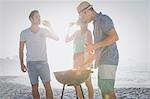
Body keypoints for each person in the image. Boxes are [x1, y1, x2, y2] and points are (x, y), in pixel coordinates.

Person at [77, 1, 119, 99]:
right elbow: (99, 48)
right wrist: (86, 63)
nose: (83, 19)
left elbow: (114, 37)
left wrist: (94, 46)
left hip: (108, 59)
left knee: (108, 91)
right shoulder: (95, 24)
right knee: (104, 90)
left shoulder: (103, 19)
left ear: (87, 12)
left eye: (82, 17)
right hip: (103, 61)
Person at [19, 10, 59, 99]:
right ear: (31, 19)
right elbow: (21, 49)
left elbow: (57, 38)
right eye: (37, 16)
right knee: (34, 86)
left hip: (43, 63)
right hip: (31, 63)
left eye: (39, 16)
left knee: (47, 86)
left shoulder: (44, 31)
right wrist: (21, 64)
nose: (39, 18)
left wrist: (50, 26)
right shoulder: (24, 33)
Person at [65, 18, 94, 99]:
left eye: (85, 22)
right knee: (76, 83)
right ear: (79, 23)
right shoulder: (76, 32)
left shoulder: (88, 33)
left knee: (88, 82)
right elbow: (66, 40)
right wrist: (69, 28)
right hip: (76, 58)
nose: (84, 24)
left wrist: (89, 62)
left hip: (85, 57)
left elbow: (91, 48)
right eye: (82, 22)